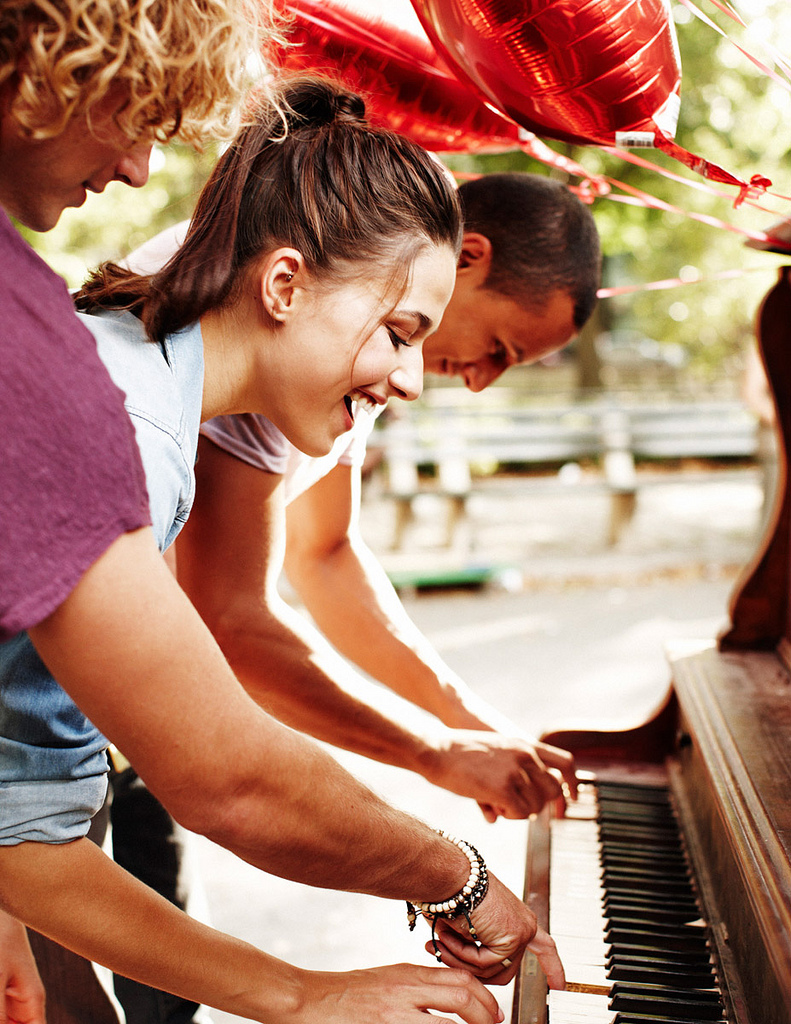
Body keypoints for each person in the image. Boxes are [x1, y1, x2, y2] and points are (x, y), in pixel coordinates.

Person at [0, 73, 565, 1023]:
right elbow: (229, 777)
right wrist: (450, 879)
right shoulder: (127, 430)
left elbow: (20, 817)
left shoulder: (135, 384)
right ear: (285, 284)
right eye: (398, 332)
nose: (414, 383)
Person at [0, 1, 271, 1018]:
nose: (140, 173)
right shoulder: (61, 372)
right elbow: (222, 775)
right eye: (140, 119)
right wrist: (303, 993)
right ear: (54, 61)